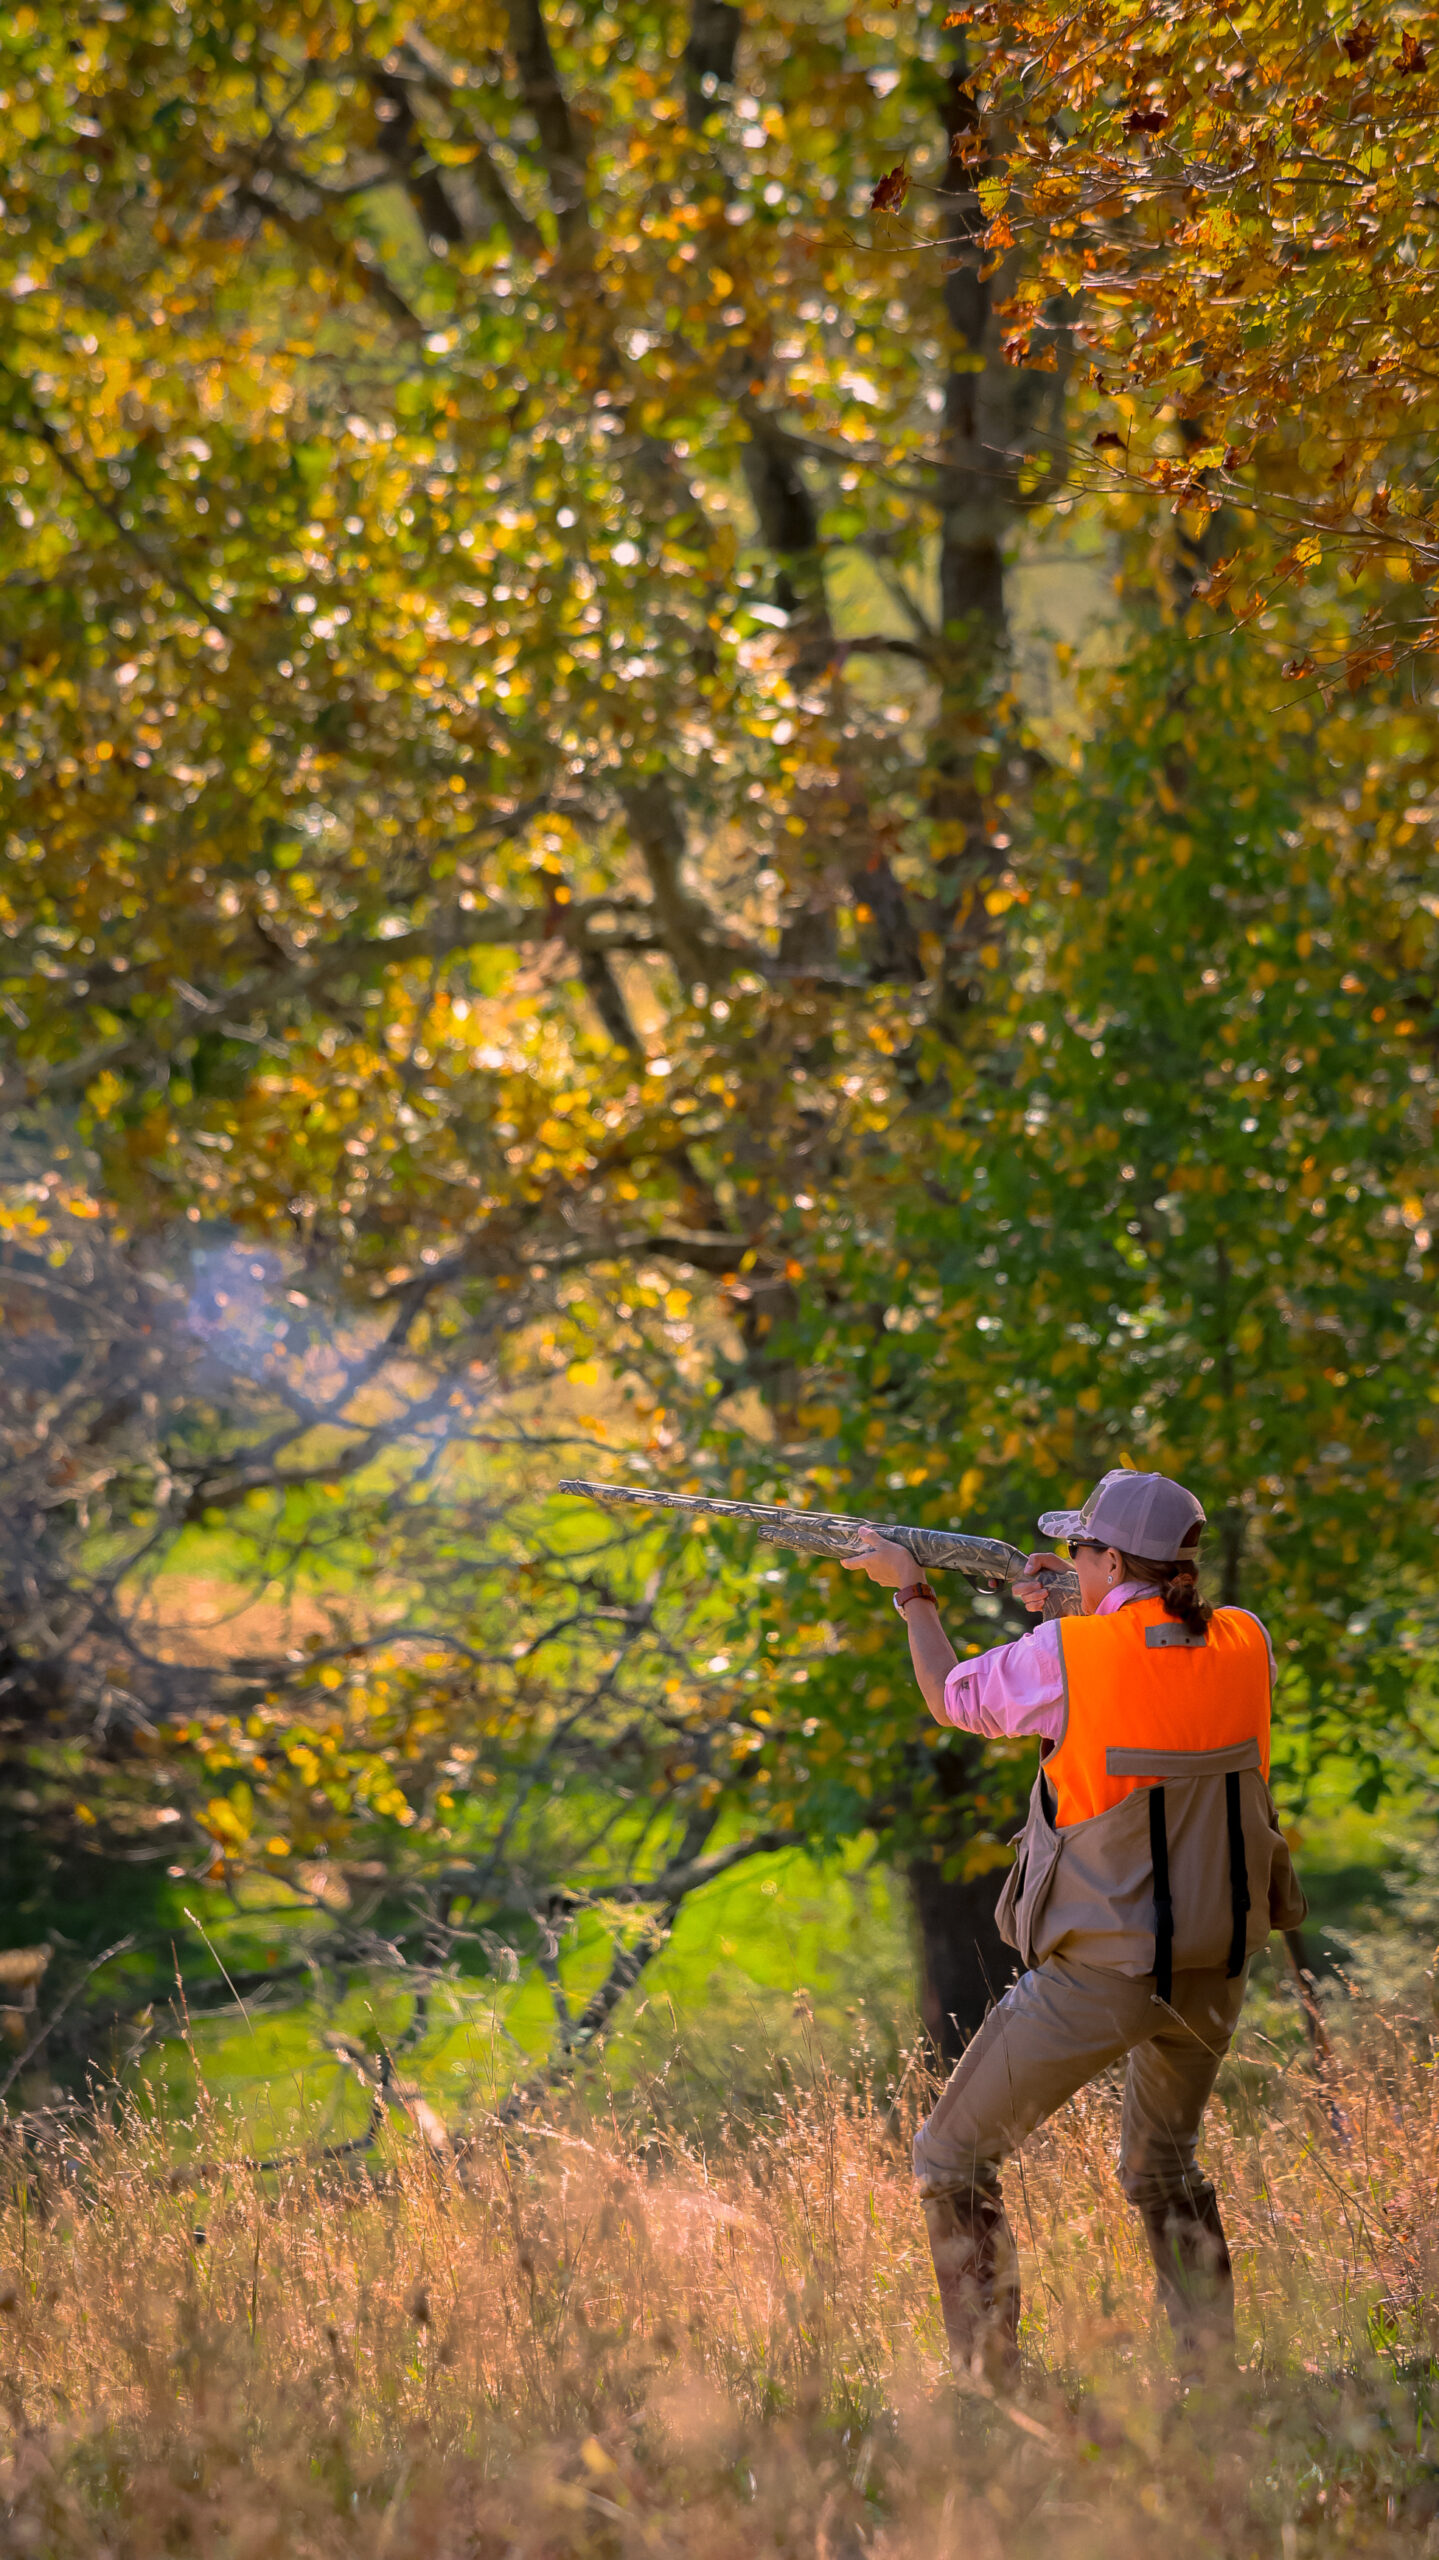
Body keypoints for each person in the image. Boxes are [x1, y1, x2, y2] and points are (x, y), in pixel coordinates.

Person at [844, 1468, 1305, 2381]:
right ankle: (1210, 2383)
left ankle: (993, 2390)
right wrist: (1076, 1604)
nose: (1064, 1561)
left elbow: (954, 1698)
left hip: (1104, 1970)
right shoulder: (1247, 1640)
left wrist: (911, 1594)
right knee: (1162, 2173)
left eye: (1075, 1550)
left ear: (1106, 1557)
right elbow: (1160, 1659)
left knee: (949, 2157)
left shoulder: (1069, 1655)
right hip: (1216, 1965)